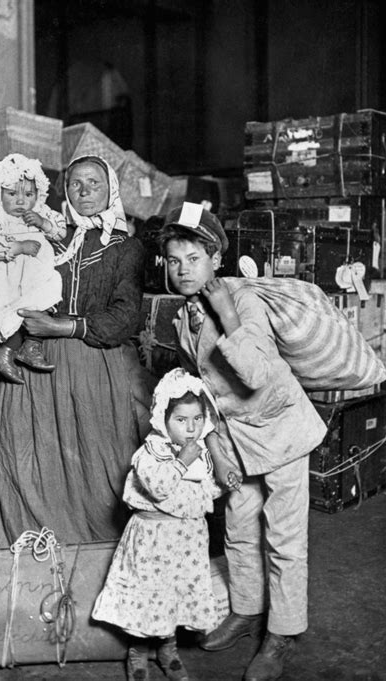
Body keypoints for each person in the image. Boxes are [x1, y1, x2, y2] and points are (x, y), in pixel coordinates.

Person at [157, 202, 328, 681]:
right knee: (237, 528)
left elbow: (253, 372)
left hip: (280, 431)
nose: (183, 269)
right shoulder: (183, 313)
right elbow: (203, 390)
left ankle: (283, 633)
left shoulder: (242, 299)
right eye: (173, 260)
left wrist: (228, 312)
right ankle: (248, 610)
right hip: (235, 439)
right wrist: (214, 448)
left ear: (216, 258)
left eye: (193, 258)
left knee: (285, 538)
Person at [0, 153, 148, 547]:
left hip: (93, 364)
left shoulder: (127, 248)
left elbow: (125, 317)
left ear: (112, 189)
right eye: (76, 184)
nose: (85, 190)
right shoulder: (50, 238)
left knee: (97, 466)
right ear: (65, 193)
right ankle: (29, 547)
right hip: (33, 365)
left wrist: (61, 325)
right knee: (27, 456)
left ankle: (96, 556)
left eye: (94, 182)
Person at [92, 367, 241, 681]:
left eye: (198, 419)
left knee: (174, 596)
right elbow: (159, 487)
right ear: (163, 419)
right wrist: (182, 461)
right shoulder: (150, 453)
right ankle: (138, 652)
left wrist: (221, 484)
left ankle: (168, 649)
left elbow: (200, 494)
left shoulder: (200, 455)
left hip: (186, 542)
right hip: (153, 540)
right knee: (150, 596)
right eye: (181, 420)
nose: (191, 429)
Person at [0, 153, 66, 384]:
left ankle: (30, 347)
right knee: (18, 313)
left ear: (39, 194)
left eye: (29, 194)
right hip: (9, 280)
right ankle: (7, 350)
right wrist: (18, 246)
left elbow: (61, 232)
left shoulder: (42, 213)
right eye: (12, 194)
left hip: (38, 276)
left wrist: (43, 223)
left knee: (48, 299)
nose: (21, 201)